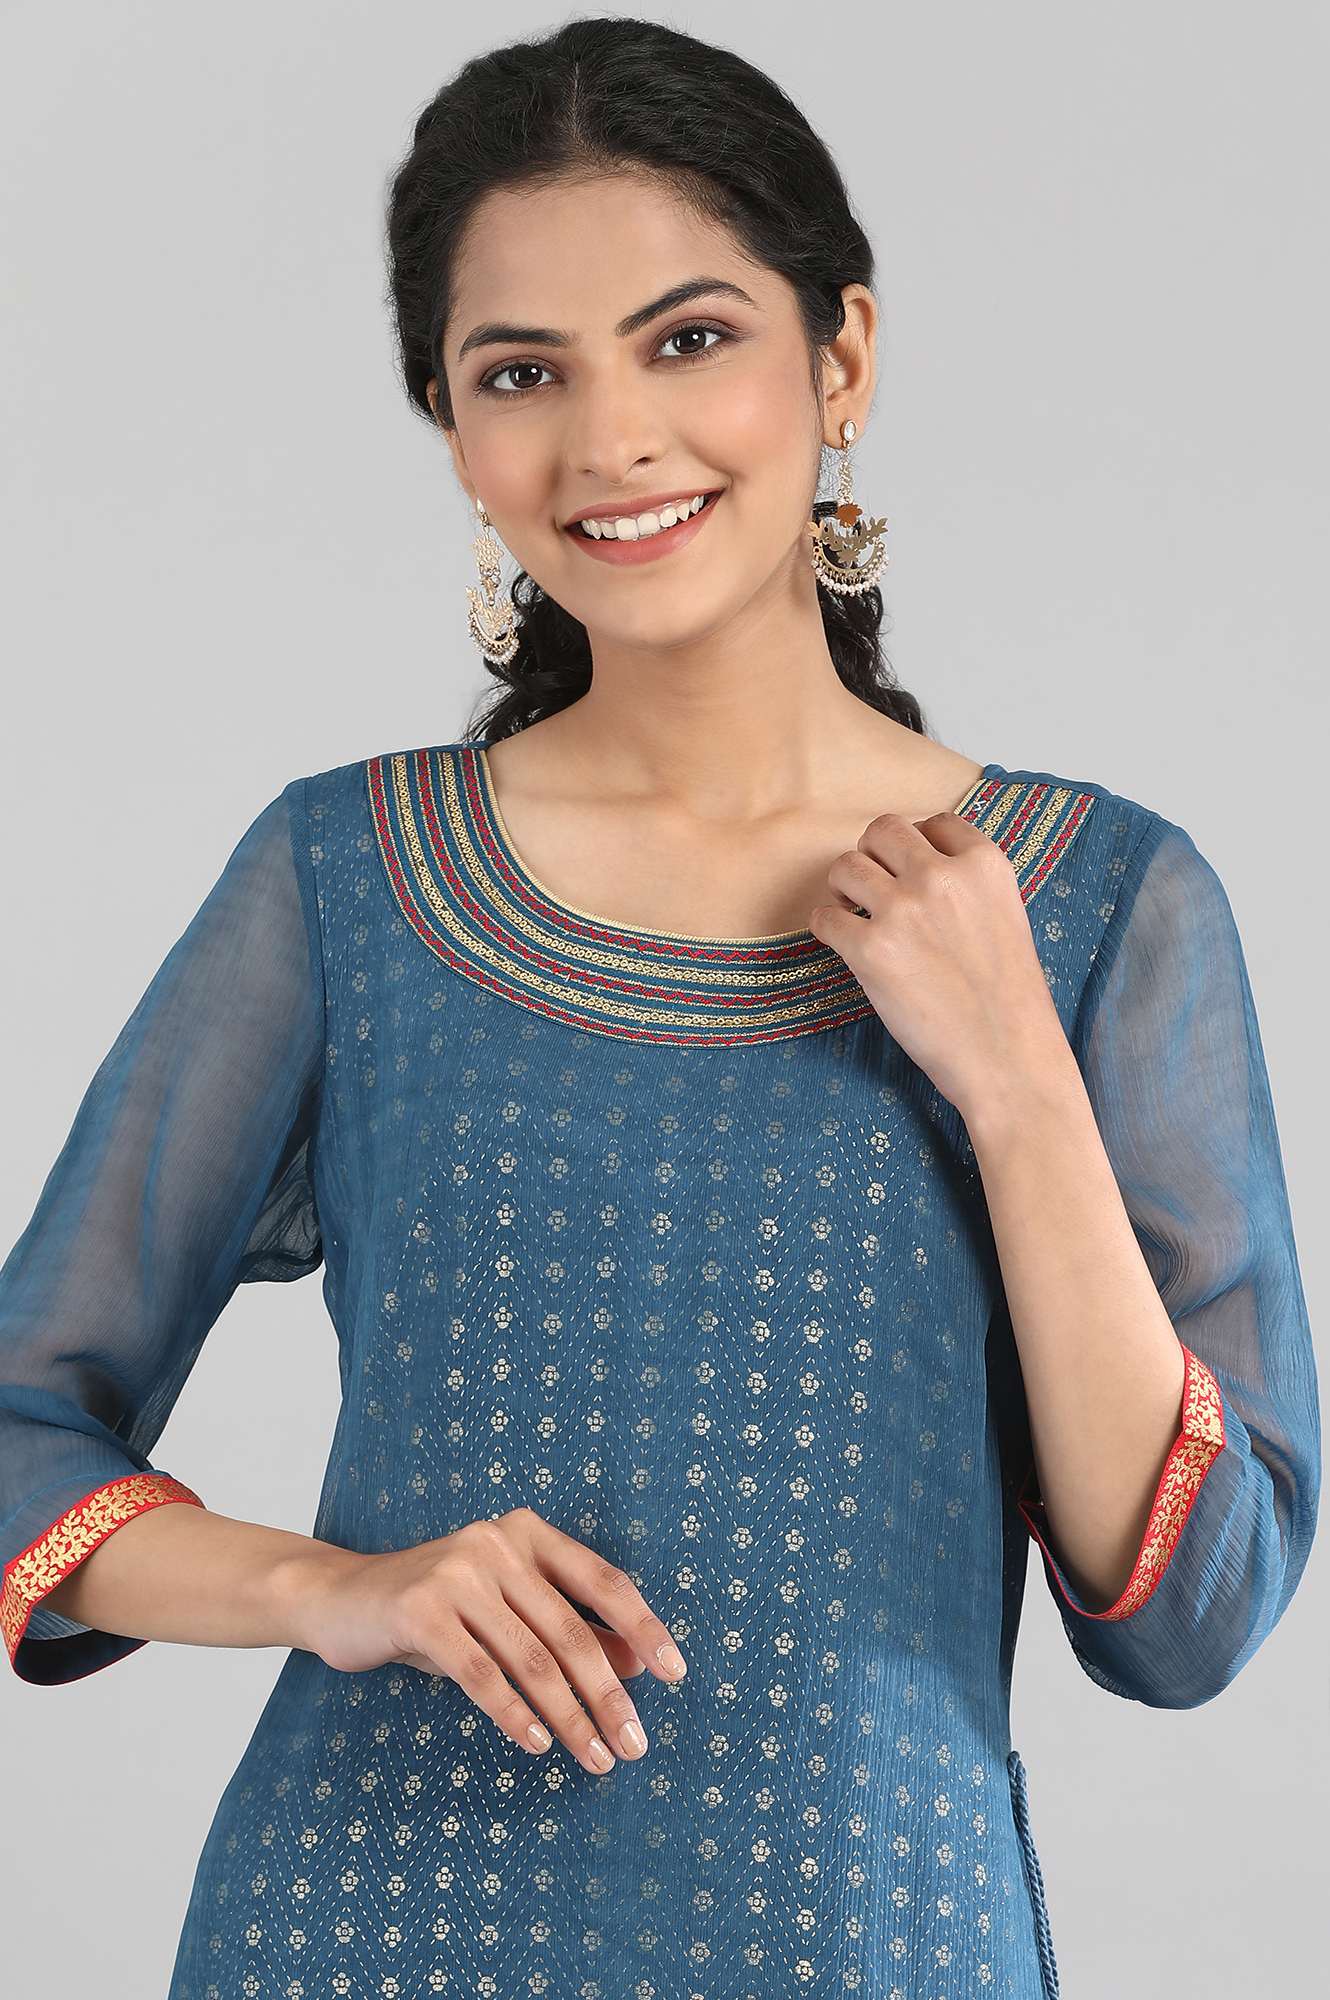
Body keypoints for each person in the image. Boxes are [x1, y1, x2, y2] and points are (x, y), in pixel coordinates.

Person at [0, 17, 1319, 1998]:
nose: (610, 438)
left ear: (840, 358)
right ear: (454, 429)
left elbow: (1191, 1615)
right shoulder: (348, 880)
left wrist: (1014, 1083)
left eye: (687, 338)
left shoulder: (1092, 903)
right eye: (521, 372)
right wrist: (328, 1587)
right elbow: (21, 1421)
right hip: (363, 1936)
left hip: (868, 1940)